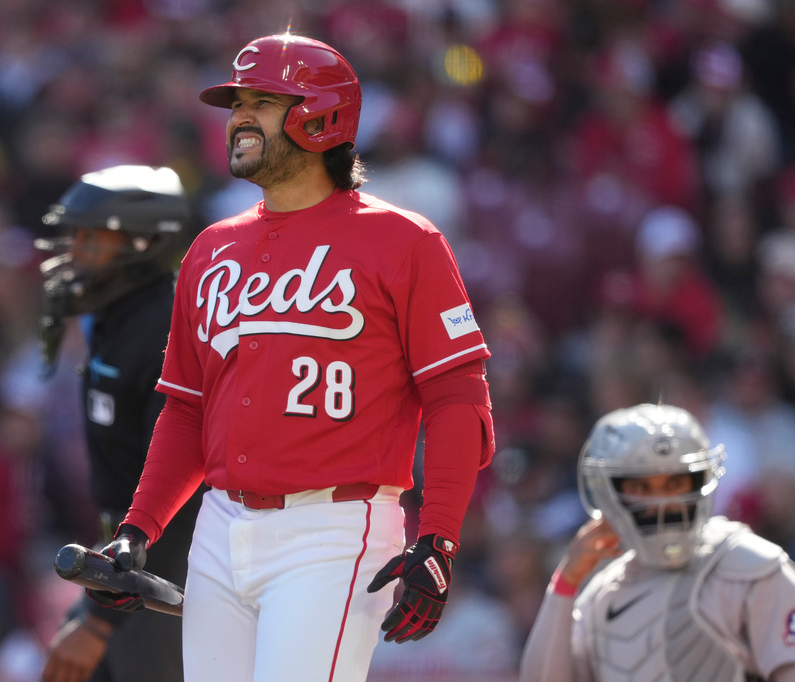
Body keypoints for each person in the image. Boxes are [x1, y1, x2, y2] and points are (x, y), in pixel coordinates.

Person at [85, 33, 495, 682]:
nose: (240, 117)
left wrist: (438, 537)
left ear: (323, 115)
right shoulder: (210, 249)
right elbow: (187, 412)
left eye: (262, 101)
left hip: (334, 529)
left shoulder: (404, 240)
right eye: (236, 103)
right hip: (219, 528)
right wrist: (138, 529)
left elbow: (458, 398)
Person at [519, 403, 795, 682]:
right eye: (641, 487)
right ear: (608, 492)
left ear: (701, 481)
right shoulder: (601, 594)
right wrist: (564, 585)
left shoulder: (752, 568)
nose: (663, 502)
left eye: (676, 482)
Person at [36, 164, 205, 682]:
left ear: (145, 243)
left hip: (171, 573)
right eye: (75, 235)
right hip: (122, 564)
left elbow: (186, 494)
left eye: (94, 236)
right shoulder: (116, 315)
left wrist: (100, 618)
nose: (76, 250)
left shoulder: (166, 331)